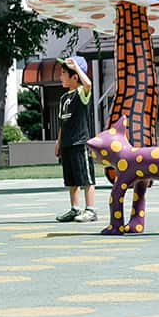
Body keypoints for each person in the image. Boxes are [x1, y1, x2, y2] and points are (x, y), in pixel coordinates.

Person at [54, 56, 97, 223]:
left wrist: (76, 67)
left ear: (75, 77)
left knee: (86, 178)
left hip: (80, 143)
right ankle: (75, 208)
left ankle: (90, 210)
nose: (60, 76)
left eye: (64, 73)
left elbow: (88, 84)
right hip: (67, 143)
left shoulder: (81, 93)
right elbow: (62, 123)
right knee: (71, 179)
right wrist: (59, 142)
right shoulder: (63, 98)